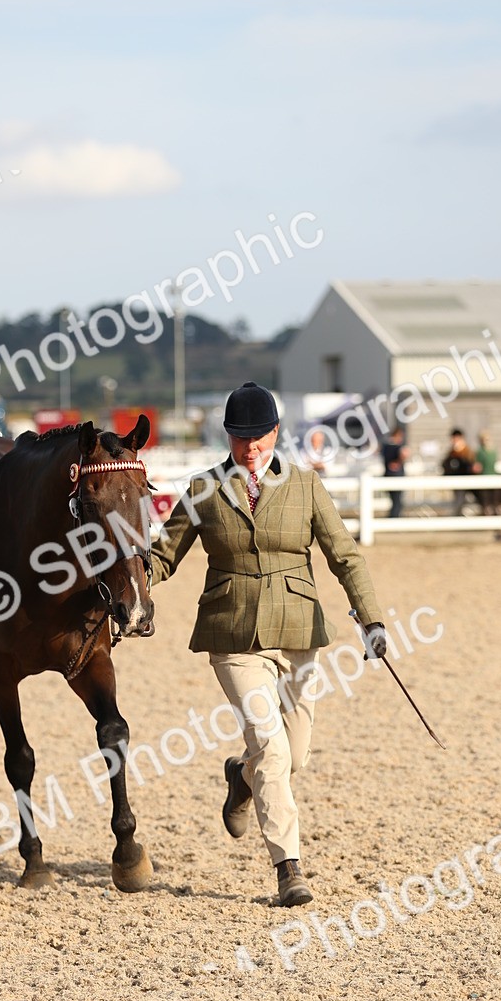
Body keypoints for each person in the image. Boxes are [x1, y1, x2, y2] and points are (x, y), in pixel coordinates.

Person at [150, 382, 386, 908]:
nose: (249, 448)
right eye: (240, 439)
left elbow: (344, 555)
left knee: (293, 754)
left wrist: (371, 618)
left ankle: (241, 776)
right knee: (271, 746)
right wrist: (125, 581)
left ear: (275, 433)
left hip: (298, 632)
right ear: (228, 437)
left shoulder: (305, 486)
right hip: (233, 634)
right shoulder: (204, 490)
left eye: (258, 437)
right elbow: (163, 556)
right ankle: (289, 868)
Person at [441, 429, 479, 516]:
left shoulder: (467, 451)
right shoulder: (451, 453)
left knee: (462, 500)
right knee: (458, 500)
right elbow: (445, 465)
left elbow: (470, 464)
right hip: (456, 481)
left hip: (467, 480)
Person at [380, 425, 409, 518]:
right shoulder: (396, 447)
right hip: (396, 476)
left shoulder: (385, 447)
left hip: (388, 475)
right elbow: (404, 454)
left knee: (394, 500)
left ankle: (393, 516)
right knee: (397, 500)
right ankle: (394, 518)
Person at [474, 431, 500, 515]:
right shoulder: (481, 452)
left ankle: (495, 513)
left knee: (494, 500)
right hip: (484, 478)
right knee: (485, 501)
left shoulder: (493, 451)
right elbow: (477, 466)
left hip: (493, 478)